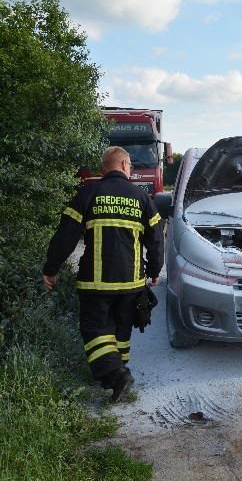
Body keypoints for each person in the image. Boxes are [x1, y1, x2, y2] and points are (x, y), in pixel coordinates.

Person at [43, 146, 164, 402]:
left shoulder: (87, 194)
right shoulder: (142, 198)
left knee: (95, 329)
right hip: (130, 283)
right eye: (130, 166)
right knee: (121, 331)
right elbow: (155, 240)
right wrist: (154, 271)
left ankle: (116, 375)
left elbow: (66, 236)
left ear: (103, 169)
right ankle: (119, 372)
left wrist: (50, 269)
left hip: (95, 282)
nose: (130, 169)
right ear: (123, 165)